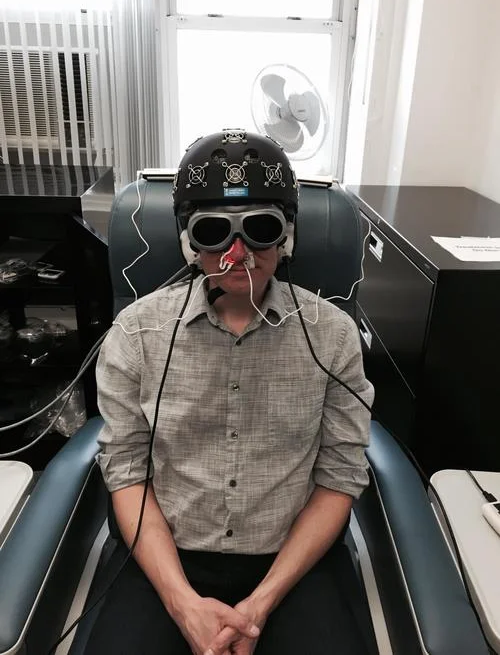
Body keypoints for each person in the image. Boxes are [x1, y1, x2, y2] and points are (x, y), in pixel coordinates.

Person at [85, 129, 375, 655]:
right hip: (167, 553)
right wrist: (182, 604)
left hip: (292, 556)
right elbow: (126, 470)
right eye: (214, 231)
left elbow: (340, 473)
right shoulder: (137, 333)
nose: (238, 253)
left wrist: (260, 604)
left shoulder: (332, 336)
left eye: (260, 229)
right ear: (188, 242)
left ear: (287, 237)